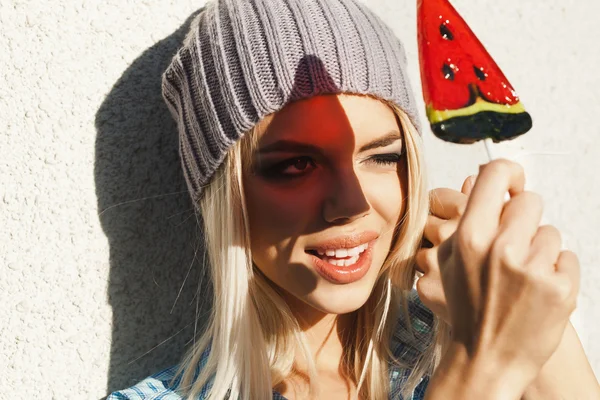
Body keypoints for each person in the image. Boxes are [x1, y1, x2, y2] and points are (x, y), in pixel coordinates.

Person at [108, 0, 600, 398]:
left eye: (383, 157)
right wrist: (484, 368)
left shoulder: (461, 332)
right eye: (295, 165)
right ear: (222, 197)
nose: (351, 203)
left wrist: (539, 335)